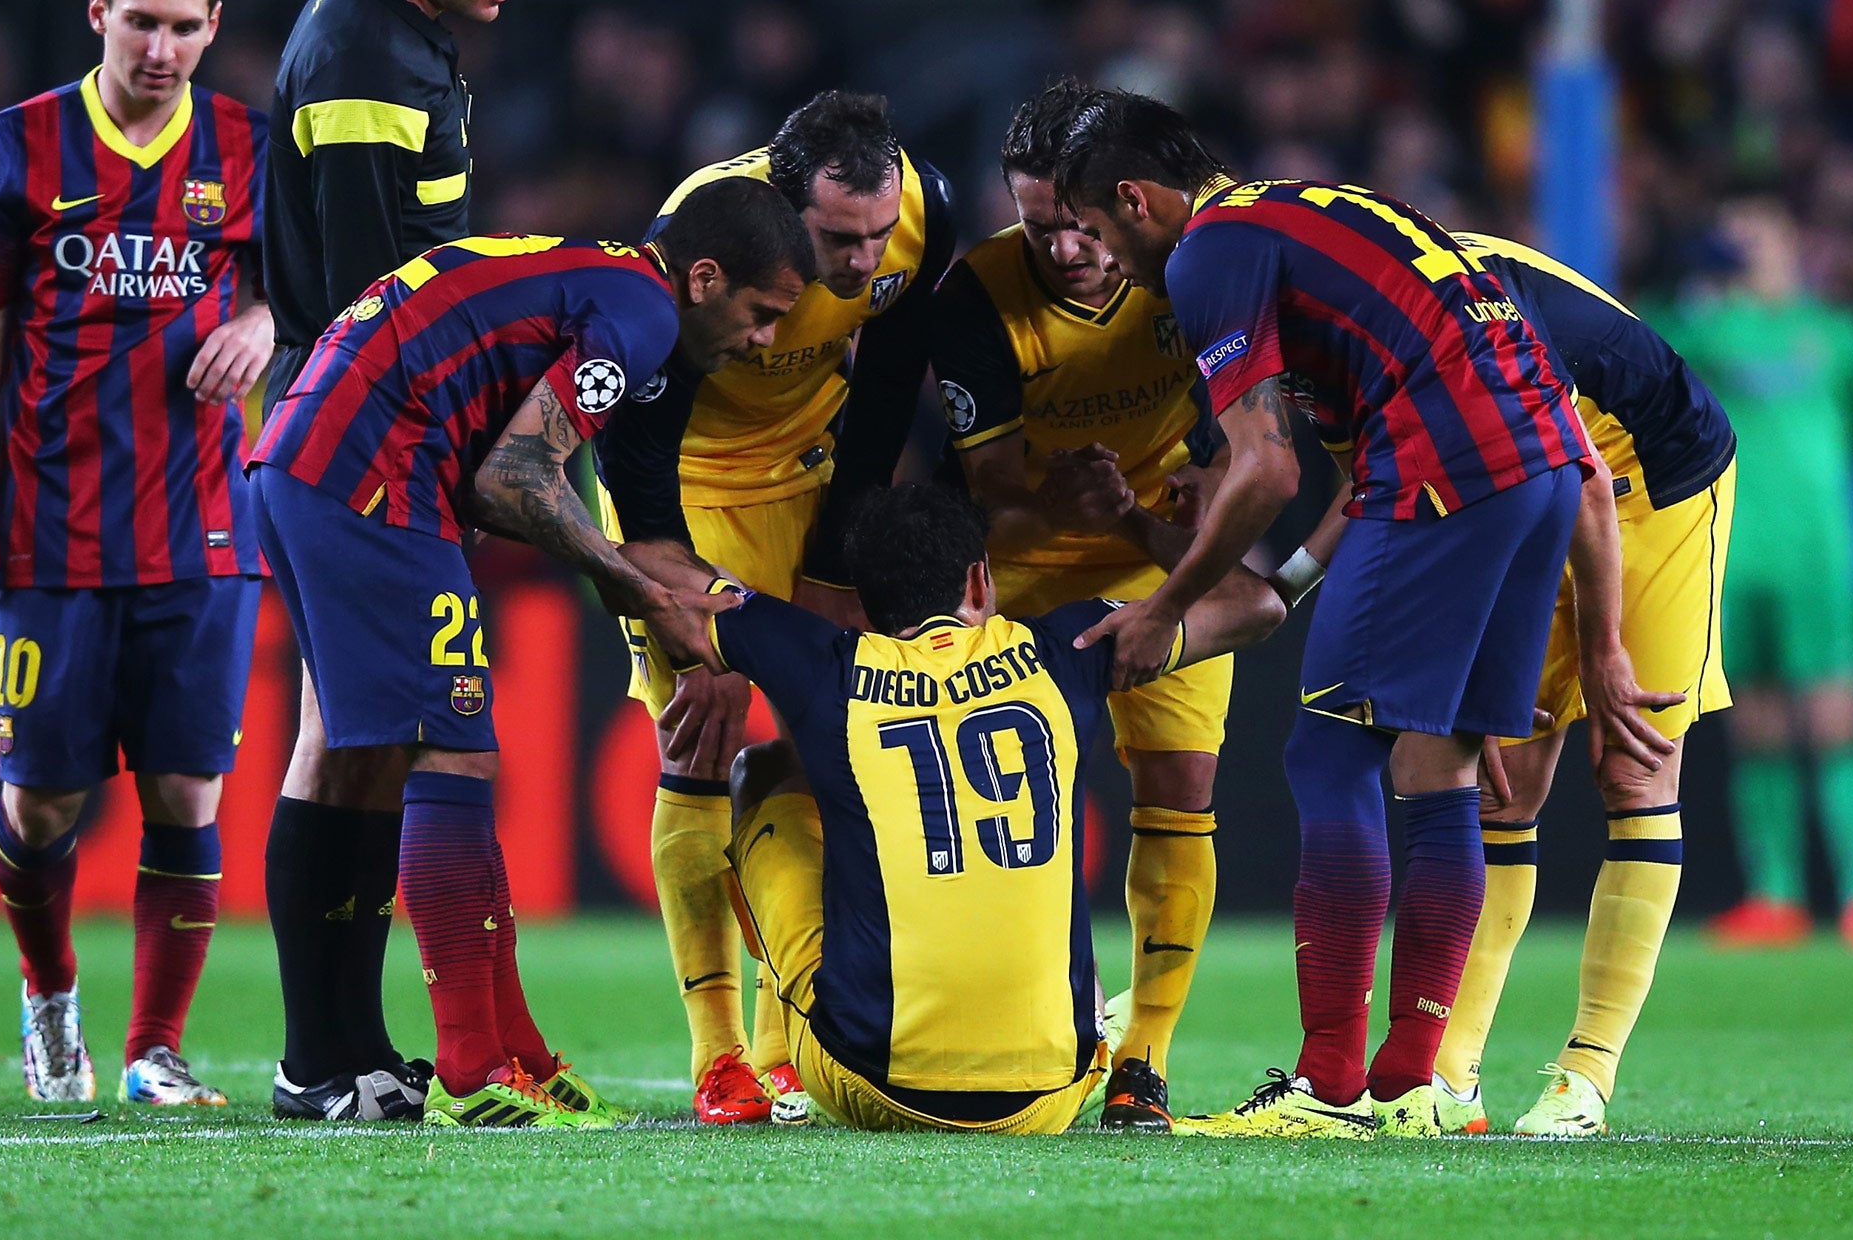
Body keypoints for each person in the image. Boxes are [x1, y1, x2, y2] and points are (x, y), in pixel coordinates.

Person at [1054, 90, 1592, 1138]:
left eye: (1099, 233)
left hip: (1448, 463)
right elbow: (1363, 443)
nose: (1107, 259)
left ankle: (1328, 1085)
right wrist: (1288, 582)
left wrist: (1164, 607)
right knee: (1435, 761)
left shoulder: (1210, 249)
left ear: (1133, 198)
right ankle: (1408, 1088)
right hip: (1541, 467)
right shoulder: (1311, 209)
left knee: (1327, 753)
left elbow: (1262, 465)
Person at [249, 180, 815, 1129]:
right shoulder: (638, 313)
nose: (763, 341)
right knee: (456, 750)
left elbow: (503, 469)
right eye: (762, 315)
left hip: (315, 458)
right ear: (705, 278)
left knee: (357, 763)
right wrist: (639, 593)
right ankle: (475, 1068)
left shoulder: (594, 279)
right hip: (371, 479)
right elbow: (513, 475)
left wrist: (657, 589)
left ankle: (348, 1060)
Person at [0, 0, 272, 1107]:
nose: (162, 48)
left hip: (203, 524)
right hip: (49, 520)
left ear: (213, 25)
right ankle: (48, 994)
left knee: (188, 789)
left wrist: (258, 321)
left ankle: (153, 1051)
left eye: (185, 26)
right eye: (141, 21)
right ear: (98, 12)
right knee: (42, 799)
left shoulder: (245, 145)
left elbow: (298, 289)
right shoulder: (17, 146)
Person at [258, 0, 556, 1123]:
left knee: (357, 742)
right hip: (367, 444)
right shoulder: (367, 57)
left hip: (364, 443)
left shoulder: (404, 34)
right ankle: (320, 1056)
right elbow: (385, 305)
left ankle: (339, 1048)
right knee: (361, 745)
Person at [591, 91, 953, 1124]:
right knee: (701, 727)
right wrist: (672, 584)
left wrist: (842, 556)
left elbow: (888, 384)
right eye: (838, 240)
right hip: (687, 485)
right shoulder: (696, 234)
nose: (861, 260)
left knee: (820, 747)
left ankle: (779, 1043)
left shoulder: (925, 210)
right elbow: (636, 438)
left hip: (811, 473)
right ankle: (716, 1059)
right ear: (777, 209)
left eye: (878, 235)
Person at [712, 482, 1282, 1134]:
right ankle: (1130, 1038)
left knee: (764, 771)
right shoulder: (1069, 646)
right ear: (981, 581)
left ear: (867, 604)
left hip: (866, 1080)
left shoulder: (829, 664)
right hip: (1050, 1096)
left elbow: (666, 596)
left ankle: (777, 1057)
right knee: (1067, 968)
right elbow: (1258, 604)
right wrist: (1135, 524)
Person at [1351, 229, 1729, 1138]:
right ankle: (1451, 1072)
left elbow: (1586, 482)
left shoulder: (1462, 318)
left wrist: (1602, 654)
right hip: (1526, 488)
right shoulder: (1354, 312)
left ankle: (1586, 1075)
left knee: (1635, 762)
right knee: (1502, 781)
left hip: (1651, 480)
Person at [928, 80, 1252, 1129]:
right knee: (1008, 801)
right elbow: (989, 482)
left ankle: (1143, 1056)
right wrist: (1047, 489)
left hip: (1155, 553)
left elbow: (1231, 416)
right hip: (1021, 568)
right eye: (1036, 227)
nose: (1064, 248)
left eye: (1074, 224)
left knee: (1179, 782)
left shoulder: (1184, 267)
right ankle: (1030, 1023)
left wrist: (1198, 475)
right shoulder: (973, 295)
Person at [1657, 199, 1853, 949]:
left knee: (1837, 719)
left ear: (1791, 242)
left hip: (1820, 552)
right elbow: (1646, 350)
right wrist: (1700, 285)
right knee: (1760, 725)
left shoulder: (1832, 333)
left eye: (1760, 236)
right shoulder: (1703, 329)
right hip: (1736, 549)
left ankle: (1852, 895)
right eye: (1733, 237)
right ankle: (1776, 895)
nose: (1747, 250)